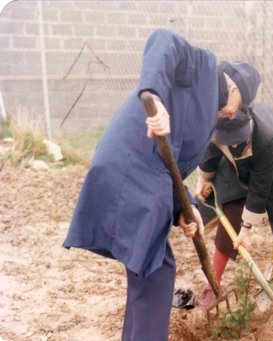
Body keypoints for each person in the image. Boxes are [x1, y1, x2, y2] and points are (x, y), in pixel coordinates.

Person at [63, 29, 247, 340]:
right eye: (238, 107)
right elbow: (163, 40)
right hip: (132, 170)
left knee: (149, 271)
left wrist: (186, 209)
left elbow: (171, 165)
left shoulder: (206, 111)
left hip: (142, 174)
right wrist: (155, 97)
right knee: (154, 270)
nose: (232, 115)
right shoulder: (204, 67)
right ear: (234, 87)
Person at [195, 61, 273, 314]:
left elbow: (260, 187)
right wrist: (203, 178)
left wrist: (248, 228)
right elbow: (211, 149)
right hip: (238, 162)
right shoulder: (219, 116)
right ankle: (212, 284)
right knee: (230, 212)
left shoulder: (267, 136)